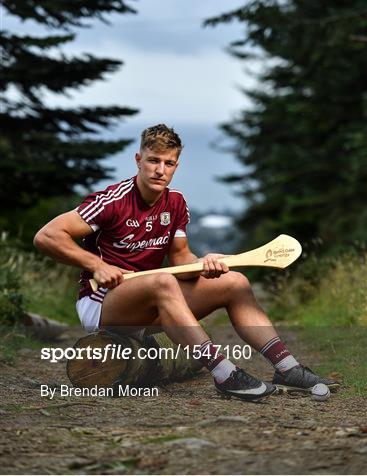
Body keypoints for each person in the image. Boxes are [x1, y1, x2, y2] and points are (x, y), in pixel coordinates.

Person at [34, 123, 338, 401]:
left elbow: (181, 258)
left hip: (153, 301)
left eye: (168, 163)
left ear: (176, 166)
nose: (160, 170)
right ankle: (224, 374)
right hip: (103, 305)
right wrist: (97, 265)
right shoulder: (112, 201)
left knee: (235, 282)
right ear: (138, 160)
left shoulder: (176, 203)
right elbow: (47, 236)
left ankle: (287, 368)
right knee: (162, 282)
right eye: (153, 161)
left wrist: (204, 264)